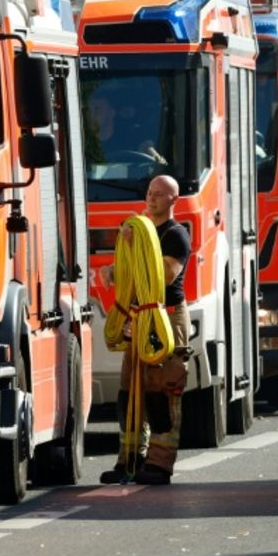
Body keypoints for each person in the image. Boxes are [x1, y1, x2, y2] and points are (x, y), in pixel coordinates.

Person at [99, 174, 192, 485]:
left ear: (173, 200)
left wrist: (136, 245)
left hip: (166, 317)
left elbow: (164, 275)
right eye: (150, 193)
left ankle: (159, 464)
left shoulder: (177, 235)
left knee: (161, 391)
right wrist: (113, 270)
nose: (151, 198)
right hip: (139, 317)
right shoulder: (140, 231)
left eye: (159, 194)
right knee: (130, 391)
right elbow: (132, 273)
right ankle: (130, 460)